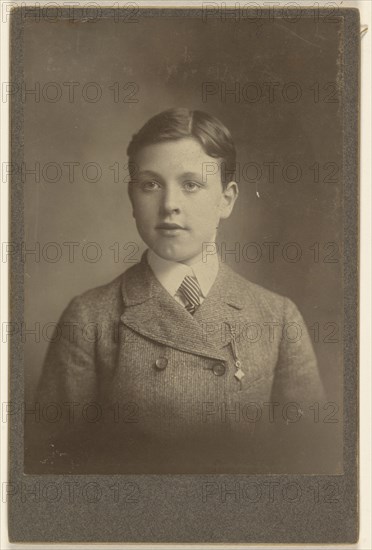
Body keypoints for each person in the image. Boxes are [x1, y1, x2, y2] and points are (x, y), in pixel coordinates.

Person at [31, 108, 328, 474]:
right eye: (150, 184)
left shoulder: (278, 318)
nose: (170, 204)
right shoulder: (90, 317)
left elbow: (308, 464)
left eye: (191, 184)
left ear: (227, 199)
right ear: (132, 198)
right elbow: (55, 469)